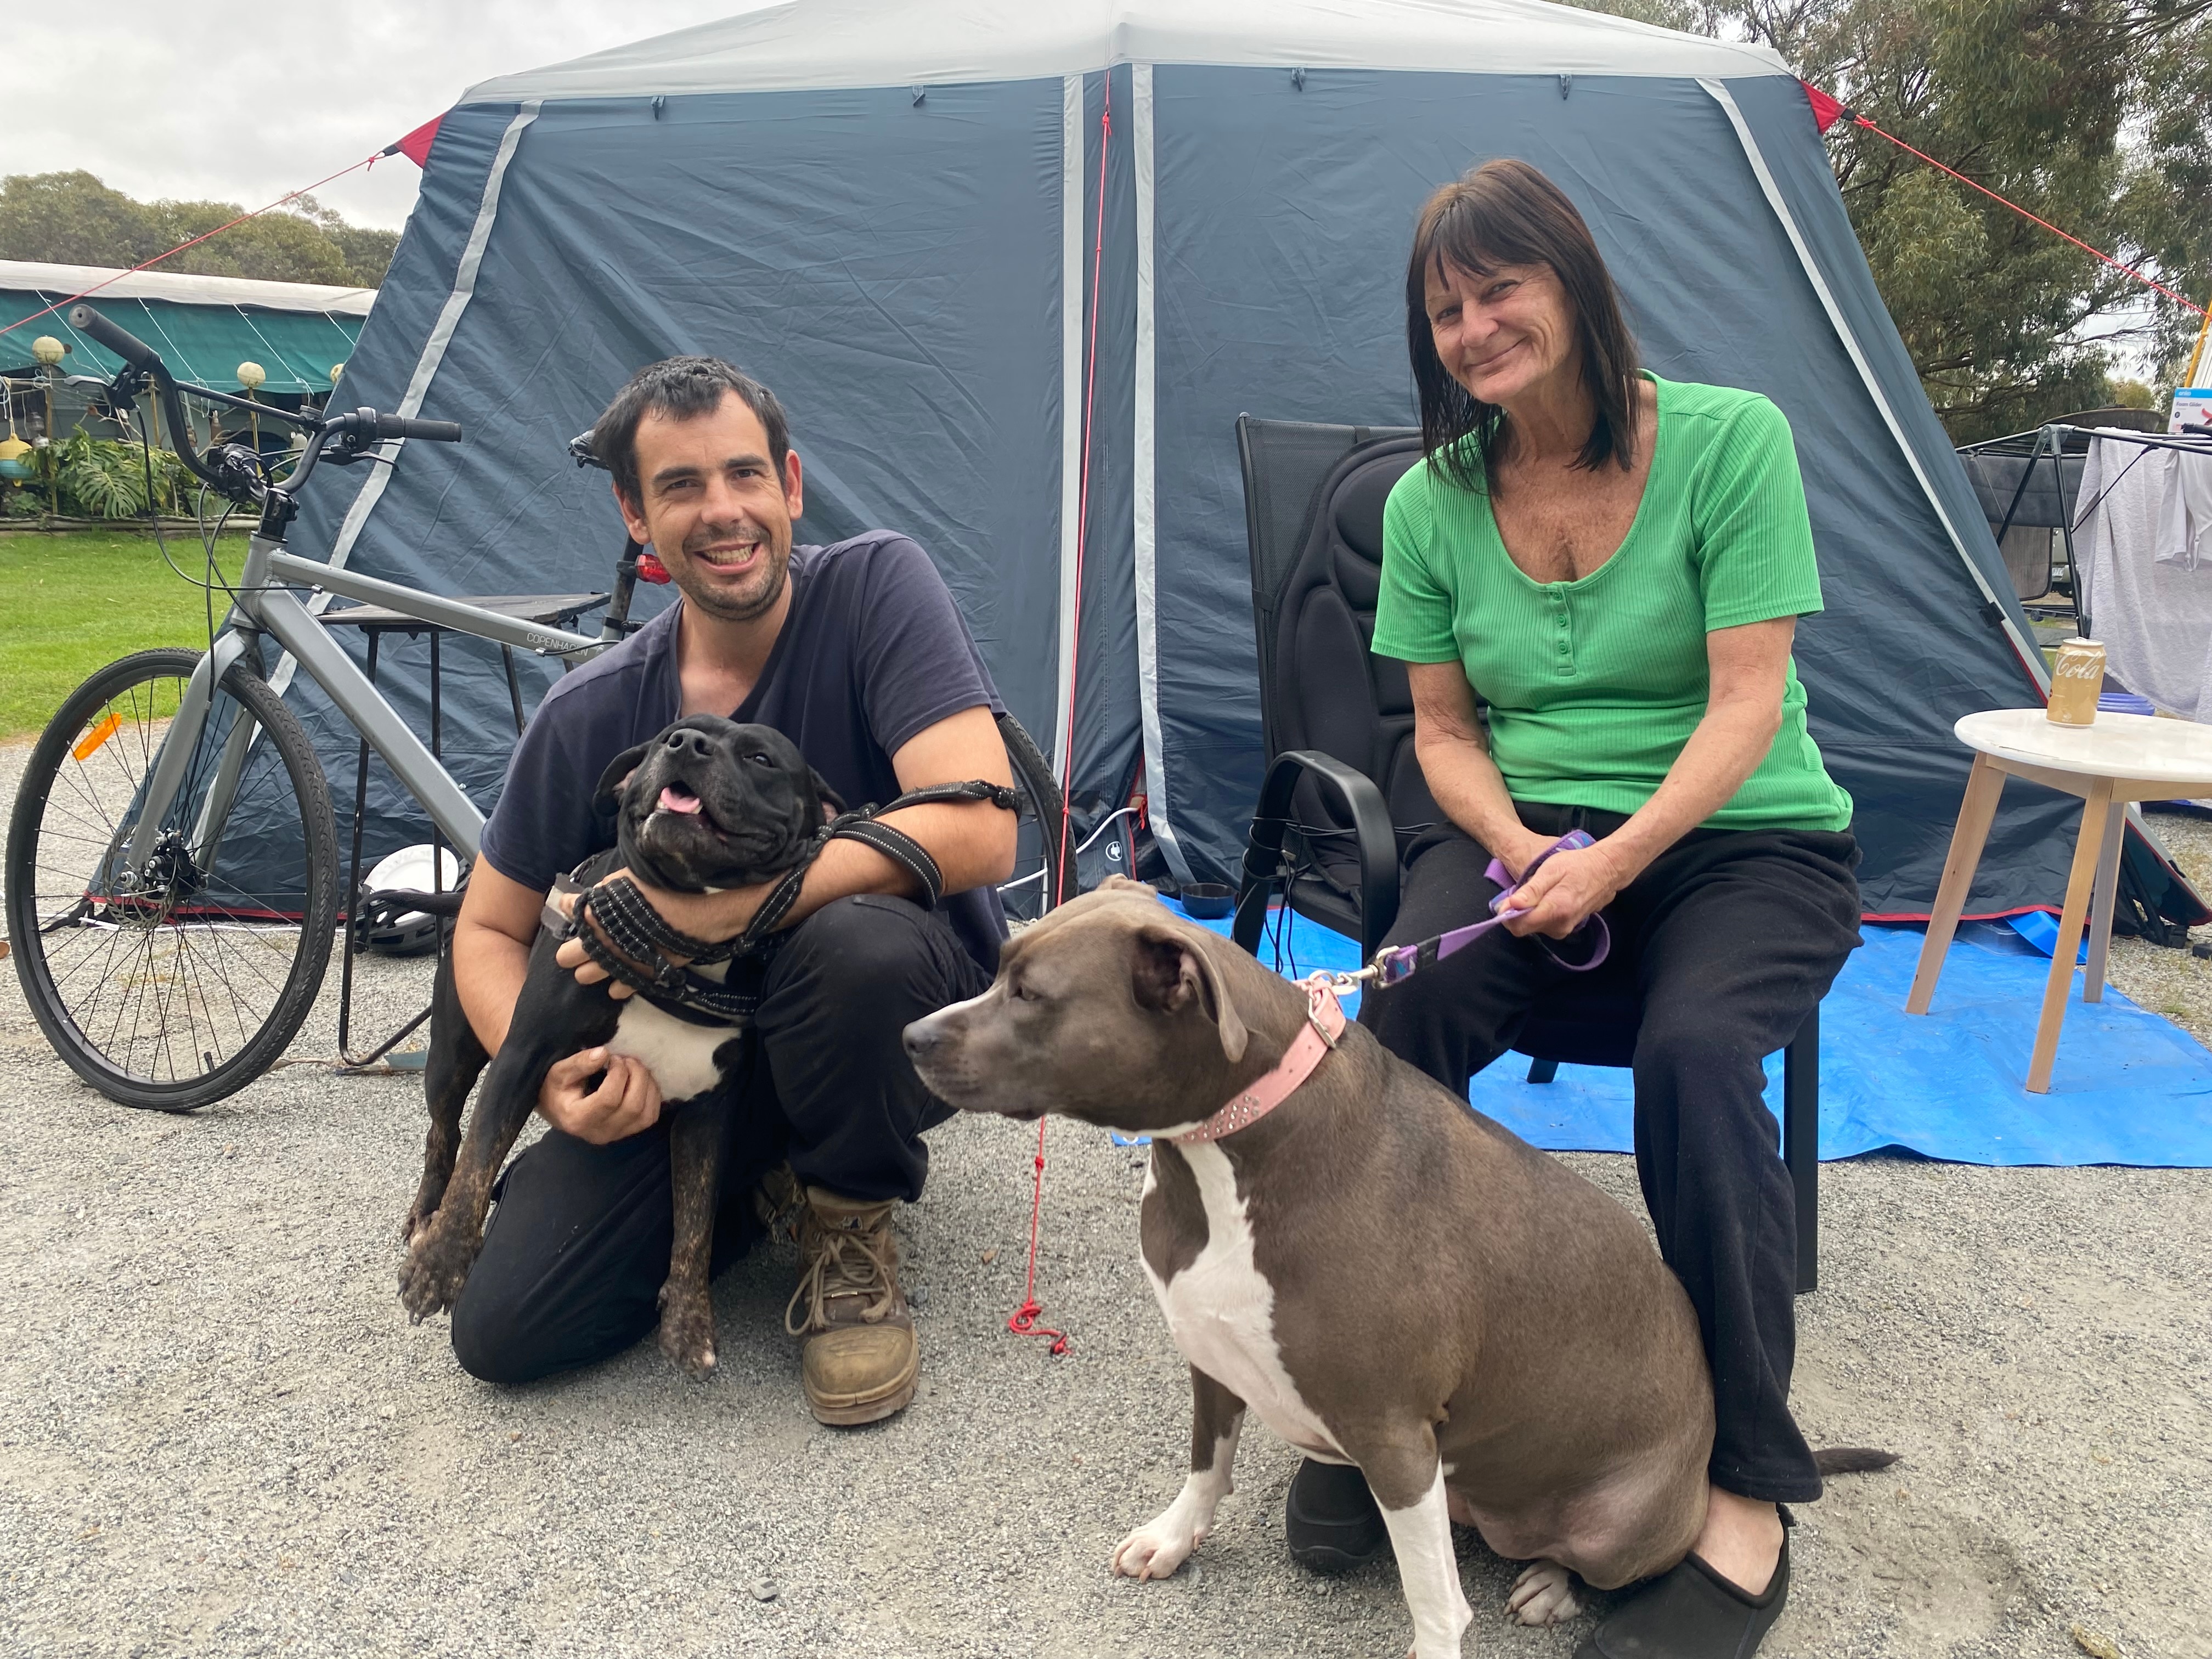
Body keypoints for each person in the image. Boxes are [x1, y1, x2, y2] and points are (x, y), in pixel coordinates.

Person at [1291, 160, 1863, 1658]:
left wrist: (1613, 861)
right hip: (1525, 842)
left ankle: (1745, 1483)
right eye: (1447, 310)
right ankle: (1375, 1402)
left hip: (1744, 844)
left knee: (1689, 1058)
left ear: (1574, 282)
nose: (1476, 329)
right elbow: (1440, 733)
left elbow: (1752, 700)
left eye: (1500, 290)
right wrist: (1526, 845)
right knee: (1394, 1030)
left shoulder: (1732, 440)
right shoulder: (1431, 500)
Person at [444, 356, 1017, 1426]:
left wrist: (725, 910)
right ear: (633, 513)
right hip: (690, 1078)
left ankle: (846, 1219)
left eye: (746, 476)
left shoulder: (878, 589)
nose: (724, 512)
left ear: (792, 486)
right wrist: (557, 1077)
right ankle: (762, 1177)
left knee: (851, 944)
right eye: (680, 487)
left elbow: (984, 828)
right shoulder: (593, 712)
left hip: (886, 1019)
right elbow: (486, 925)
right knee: (506, 1325)